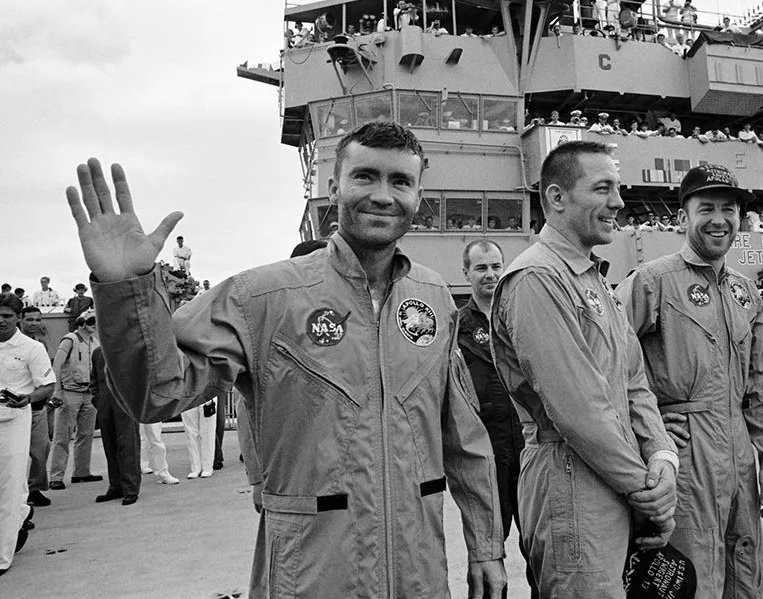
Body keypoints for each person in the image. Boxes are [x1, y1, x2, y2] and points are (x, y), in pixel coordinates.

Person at [65, 122, 505, 597]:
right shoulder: (264, 297)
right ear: (334, 186)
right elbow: (157, 394)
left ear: (419, 195)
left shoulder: (433, 297)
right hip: (310, 575)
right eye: (365, 177)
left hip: (418, 573)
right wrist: (125, 291)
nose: (383, 195)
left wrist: (486, 546)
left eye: (400, 181)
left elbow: (464, 437)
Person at [490, 140, 678, 597]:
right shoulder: (537, 279)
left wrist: (663, 458)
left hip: (613, 476)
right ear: (556, 198)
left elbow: (634, 384)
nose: (618, 202)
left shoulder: (593, 280)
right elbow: (579, 409)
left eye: (617, 188)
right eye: (602, 188)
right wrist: (646, 492)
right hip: (571, 482)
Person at [616, 165, 763, 598]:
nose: (718, 219)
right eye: (705, 207)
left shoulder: (745, 292)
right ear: (681, 218)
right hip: (684, 463)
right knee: (686, 580)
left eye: (728, 209)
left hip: (740, 465)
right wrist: (646, 435)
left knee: (743, 575)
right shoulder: (650, 283)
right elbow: (604, 367)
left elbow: (762, 387)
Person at [457, 240, 536, 596]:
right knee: (486, 556)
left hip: (529, 450)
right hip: (483, 456)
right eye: (481, 268)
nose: (490, 274)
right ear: (466, 273)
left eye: (495, 266)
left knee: (540, 548)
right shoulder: (455, 327)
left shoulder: (522, 317)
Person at [0, 293, 54, 577]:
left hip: (14, 419)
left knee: (9, 486)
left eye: (7, 316)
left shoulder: (31, 348)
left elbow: (48, 386)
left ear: (18, 318)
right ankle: (22, 513)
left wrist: (28, 398)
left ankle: (2, 556)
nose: (0, 321)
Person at [47, 309, 102, 490]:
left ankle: (81, 472)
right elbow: (57, 364)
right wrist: (57, 390)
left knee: (86, 435)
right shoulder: (70, 339)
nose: (94, 323)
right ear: (81, 323)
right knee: (62, 436)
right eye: (90, 320)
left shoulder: (95, 342)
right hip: (70, 392)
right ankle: (56, 476)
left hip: (89, 393)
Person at [91, 346, 141, 505]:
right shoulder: (98, 352)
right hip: (105, 402)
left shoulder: (129, 349)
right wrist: (97, 399)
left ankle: (131, 487)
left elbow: (140, 377)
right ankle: (116, 485)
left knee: (127, 445)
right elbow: (94, 378)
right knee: (109, 445)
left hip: (125, 402)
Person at [18, 307, 52, 507]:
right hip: (16, 405)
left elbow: (47, 373)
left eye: (38, 319)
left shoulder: (41, 345)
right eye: (29, 319)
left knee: (41, 449)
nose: (33, 323)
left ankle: (35, 488)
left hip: (37, 405)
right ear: (20, 319)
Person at [182, 397, 217, 479]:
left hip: (207, 391)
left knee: (207, 430)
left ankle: (207, 467)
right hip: (187, 392)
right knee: (190, 431)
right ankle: (195, 467)